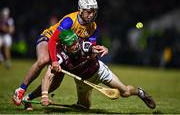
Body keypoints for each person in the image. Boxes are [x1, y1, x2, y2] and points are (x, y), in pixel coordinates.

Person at [22, 30, 156, 111]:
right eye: (71, 45)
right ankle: (28, 99)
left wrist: (101, 49)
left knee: (125, 92)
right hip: (82, 81)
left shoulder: (83, 45)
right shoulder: (59, 57)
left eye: (75, 42)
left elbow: (93, 48)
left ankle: (140, 93)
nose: (75, 46)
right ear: (64, 46)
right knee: (85, 108)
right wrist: (45, 95)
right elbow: (48, 77)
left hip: (100, 72)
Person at [12, 0, 108, 106]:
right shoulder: (69, 21)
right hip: (48, 38)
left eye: (94, 11)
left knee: (55, 84)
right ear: (80, 10)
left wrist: (97, 50)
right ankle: (21, 89)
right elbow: (53, 40)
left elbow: (90, 47)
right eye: (89, 11)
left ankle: (28, 98)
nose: (92, 15)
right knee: (43, 59)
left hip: (62, 49)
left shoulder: (93, 27)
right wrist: (54, 61)